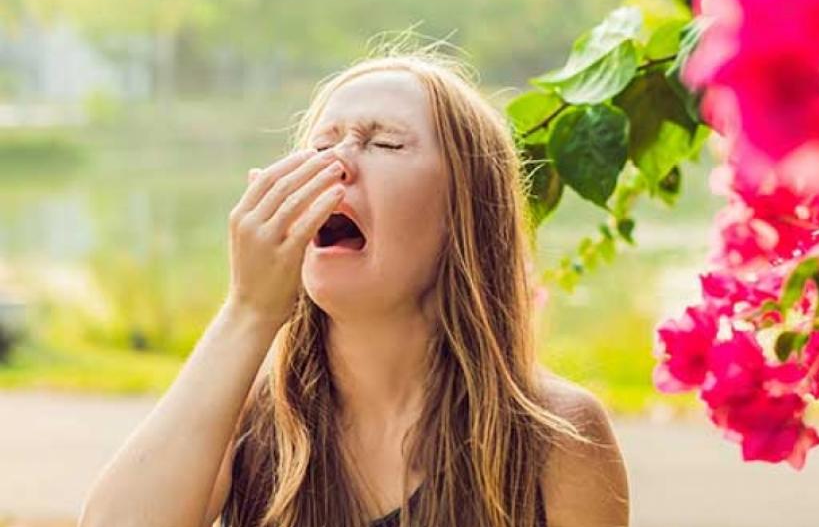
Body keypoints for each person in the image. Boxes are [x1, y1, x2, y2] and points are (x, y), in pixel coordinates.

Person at [78, 41, 629, 527]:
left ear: (466, 215)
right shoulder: (247, 417)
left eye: (385, 143)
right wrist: (249, 312)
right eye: (319, 146)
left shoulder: (555, 436)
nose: (334, 166)